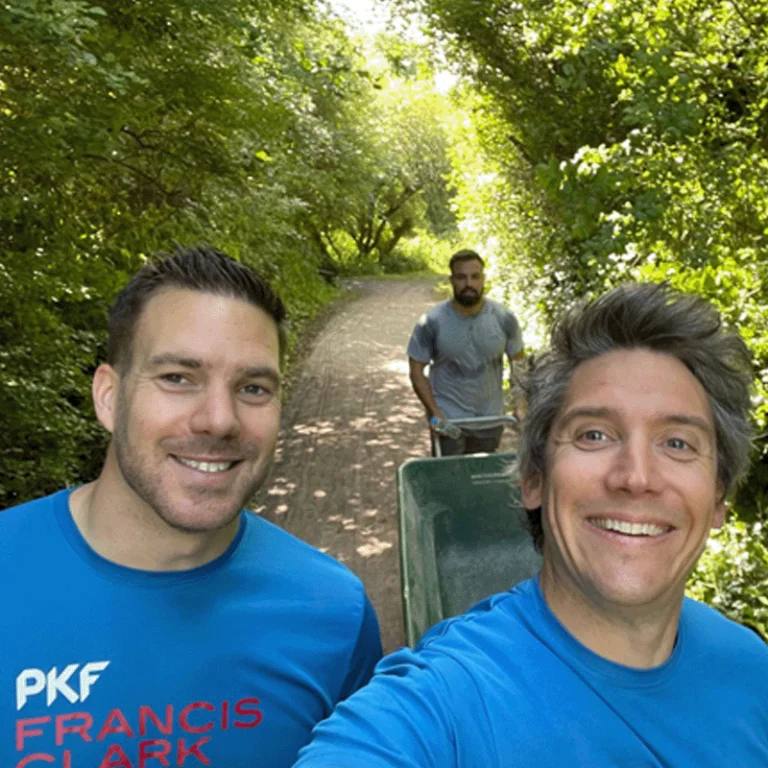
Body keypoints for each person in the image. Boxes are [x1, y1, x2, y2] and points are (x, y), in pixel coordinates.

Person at [294, 282, 768, 768]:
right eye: (594, 434)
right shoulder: (443, 704)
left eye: (678, 443)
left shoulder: (752, 667)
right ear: (533, 479)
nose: (636, 477)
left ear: (717, 499)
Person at [0, 245, 382, 768]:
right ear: (109, 397)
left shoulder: (335, 613)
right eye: (178, 378)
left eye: (252, 388)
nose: (219, 420)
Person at [407, 249, 524, 455]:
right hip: (449, 420)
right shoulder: (431, 322)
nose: (468, 284)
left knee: (481, 479)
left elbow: (519, 365)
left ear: (483, 279)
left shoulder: (504, 319)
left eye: (475, 277)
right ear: (452, 280)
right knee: (449, 479)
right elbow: (417, 372)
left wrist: (520, 405)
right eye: (461, 277)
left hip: (490, 419)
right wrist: (434, 413)